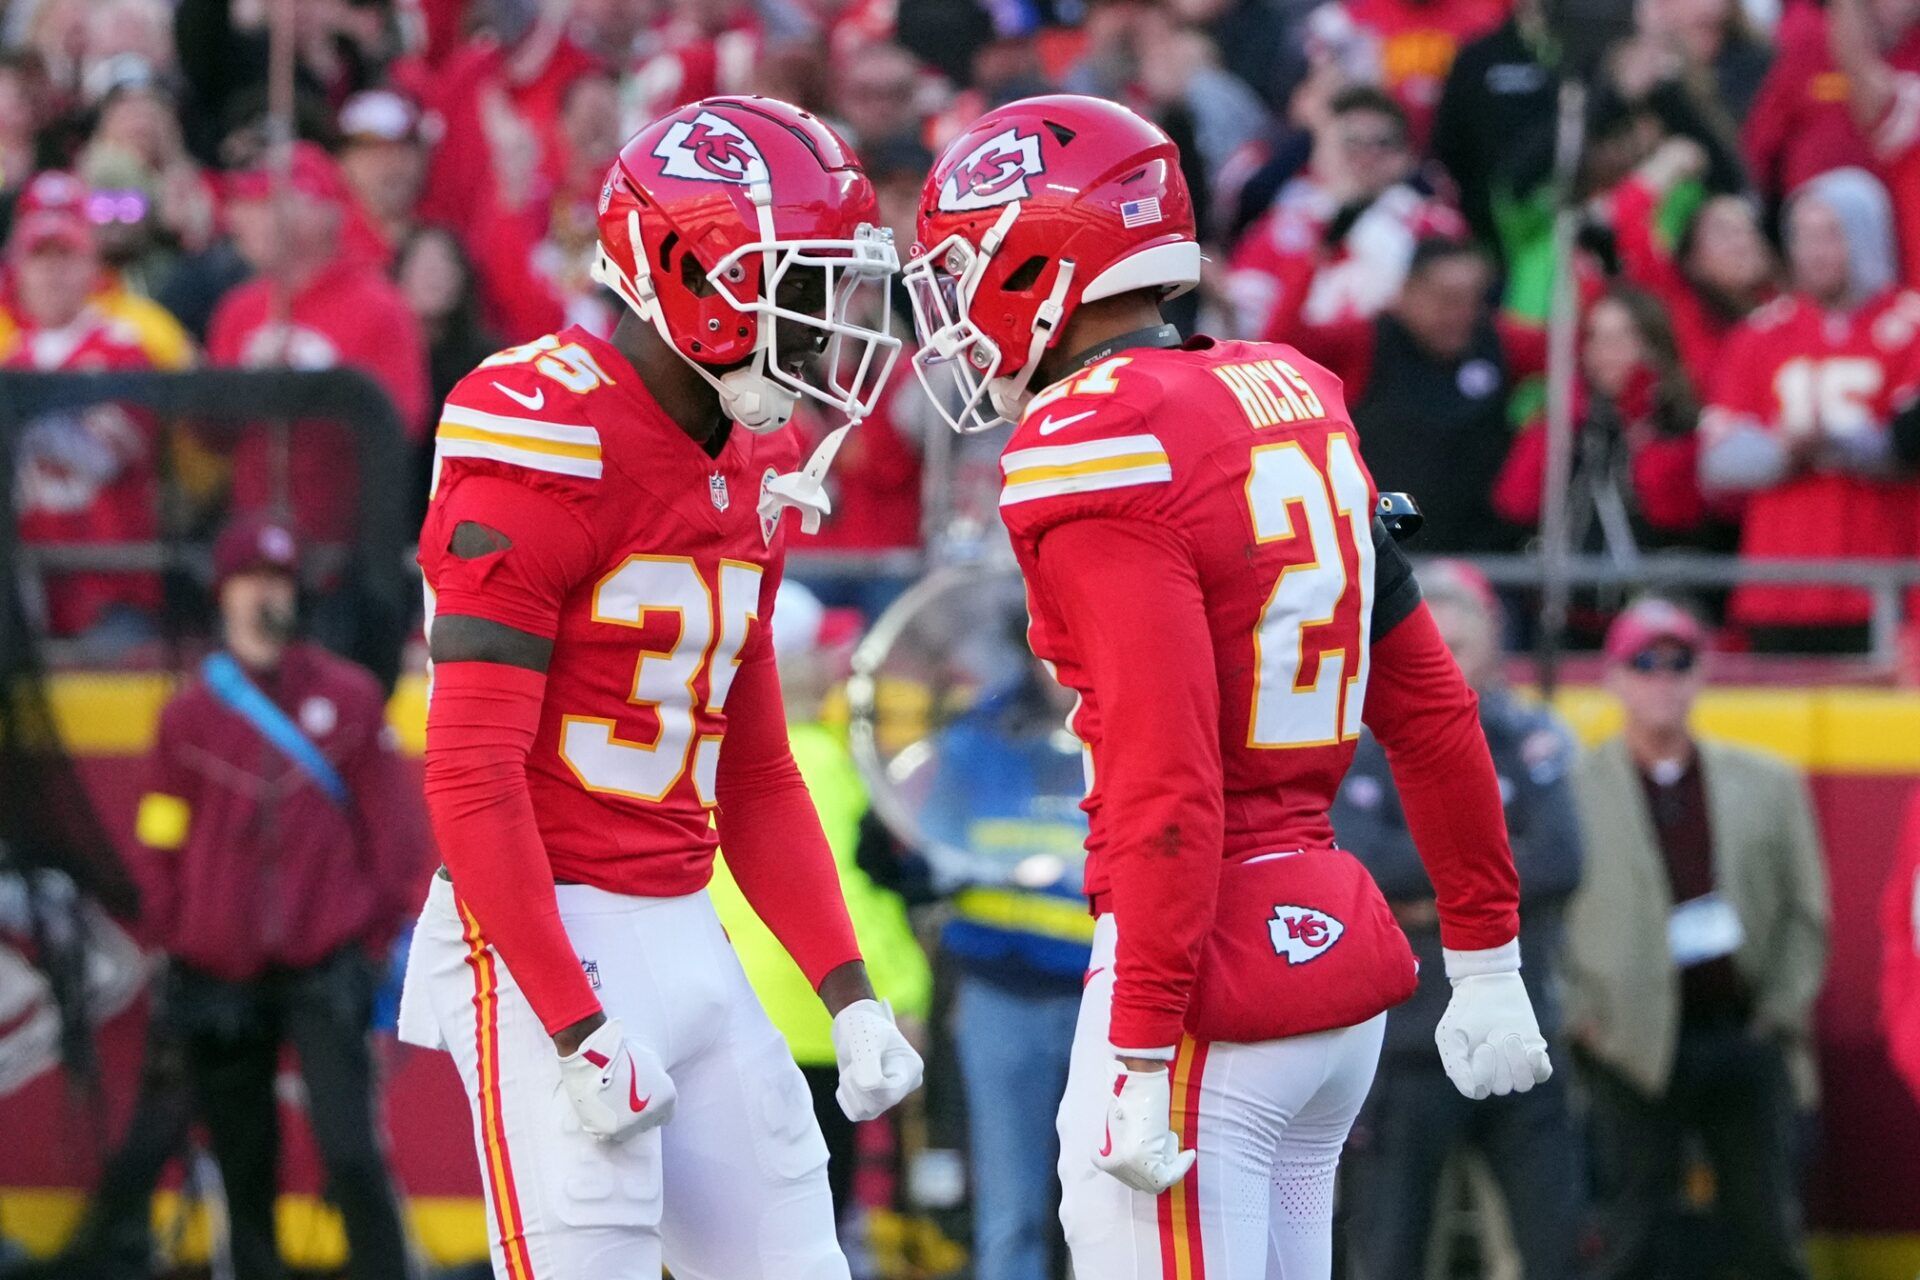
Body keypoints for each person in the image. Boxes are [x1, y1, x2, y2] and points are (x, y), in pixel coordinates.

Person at [904, 94, 1550, 1280]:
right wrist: (1487, 952)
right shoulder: (1289, 387)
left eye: (965, 261)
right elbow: (1431, 705)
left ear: (1045, 257)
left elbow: (1166, 763)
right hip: (1326, 967)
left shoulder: (1097, 436)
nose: (952, 306)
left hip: (1205, 970)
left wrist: (1142, 1039)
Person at [397, 96, 922, 1280]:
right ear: (708, 277)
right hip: (539, 930)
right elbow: (471, 770)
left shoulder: (756, 449)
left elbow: (756, 765)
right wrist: (572, 1023)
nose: (827, 328)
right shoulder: (545, 430)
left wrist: (849, 989)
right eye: (806, 285)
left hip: (688, 924)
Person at [132, 514, 427, 1280]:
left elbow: (394, 834)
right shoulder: (186, 716)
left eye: (280, 580)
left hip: (324, 962)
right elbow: (160, 833)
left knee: (352, 1154)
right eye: (253, 580)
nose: (268, 594)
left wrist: (368, 938)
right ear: (224, 594)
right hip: (218, 971)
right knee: (243, 1162)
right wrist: (179, 932)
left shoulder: (350, 698)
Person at [1565, 597, 1828, 1280]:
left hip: (1739, 1029)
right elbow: (1539, 913)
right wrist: (1583, 1023)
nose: (1662, 679)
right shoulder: (1573, 786)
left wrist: (1780, 1012)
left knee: (1766, 1227)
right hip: (1627, 1044)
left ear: (1701, 674)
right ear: (1615, 676)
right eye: (1644, 664)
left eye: (1678, 662)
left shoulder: (1766, 780)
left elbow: (1807, 911)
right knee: (1631, 1232)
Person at [1335, 561, 1584, 1280]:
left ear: (1494, 648)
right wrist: (1484, 875)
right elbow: (1362, 865)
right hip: (1405, 1042)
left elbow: (1564, 859)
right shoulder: (1362, 741)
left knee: (1553, 1246)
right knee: (1390, 1251)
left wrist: (1429, 904)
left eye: (1460, 645)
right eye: (1429, 643)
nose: (1442, 661)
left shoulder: (1526, 733)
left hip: (1521, 1029)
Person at [706, 579, 933, 1228]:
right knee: (809, 1222)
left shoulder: (704, 757)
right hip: (813, 1022)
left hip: (728, 1017)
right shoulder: (816, 764)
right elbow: (850, 899)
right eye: (813, 656)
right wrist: (903, 994)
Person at [1698, 168, 1920, 653]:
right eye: (1802, 236)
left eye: (1830, 235)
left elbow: (1910, 446)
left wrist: (1839, 443)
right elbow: (1716, 464)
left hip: (1886, 591)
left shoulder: (1911, 325)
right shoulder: (1759, 335)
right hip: (1778, 592)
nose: (1813, 252)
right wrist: (1786, 448)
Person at [1292, 237, 1545, 553]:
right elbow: (1282, 343)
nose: (1461, 313)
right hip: (1379, 554)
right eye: (1447, 299)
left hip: (1479, 559)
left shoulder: (1500, 341)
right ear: (1407, 292)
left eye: (1473, 300)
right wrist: (1319, 250)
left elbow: (1576, 354)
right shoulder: (1366, 342)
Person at [3, 171, 166, 651]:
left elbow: (102, 457)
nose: (51, 272)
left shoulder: (123, 350)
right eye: (39, 257)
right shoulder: (14, 359)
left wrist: (21, 419)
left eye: (65, 256)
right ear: (18, 267)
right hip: (31, 596)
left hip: (111, 594)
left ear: (91, 264)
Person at [1227, 85, 1466, 344]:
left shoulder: (1436, 227)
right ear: (1321, 152)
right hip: (1301, 370)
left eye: (1382, 144)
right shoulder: (1282, 230)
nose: (1366, 157)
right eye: (1351, 142)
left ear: (1406, 156)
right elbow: (1247, 325)